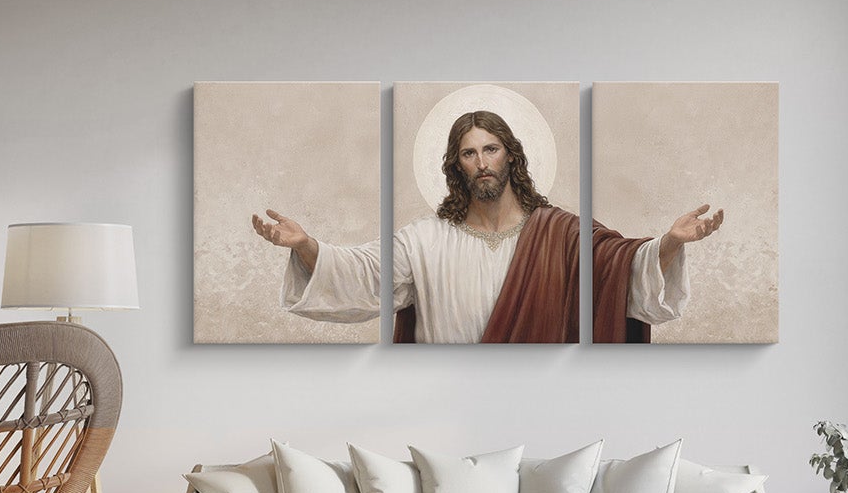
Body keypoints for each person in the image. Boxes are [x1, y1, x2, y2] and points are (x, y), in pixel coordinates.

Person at [251, 109, 722, 344]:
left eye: (491, 149)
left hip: (544, 401)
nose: (482, 163)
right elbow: (362, 276)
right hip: (441, 399)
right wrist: (308, 246)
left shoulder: (564, 235)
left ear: (511, 154)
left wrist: (668, 244)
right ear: (457, 165)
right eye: (469, 153)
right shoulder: (425, 238)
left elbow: (621, 271)